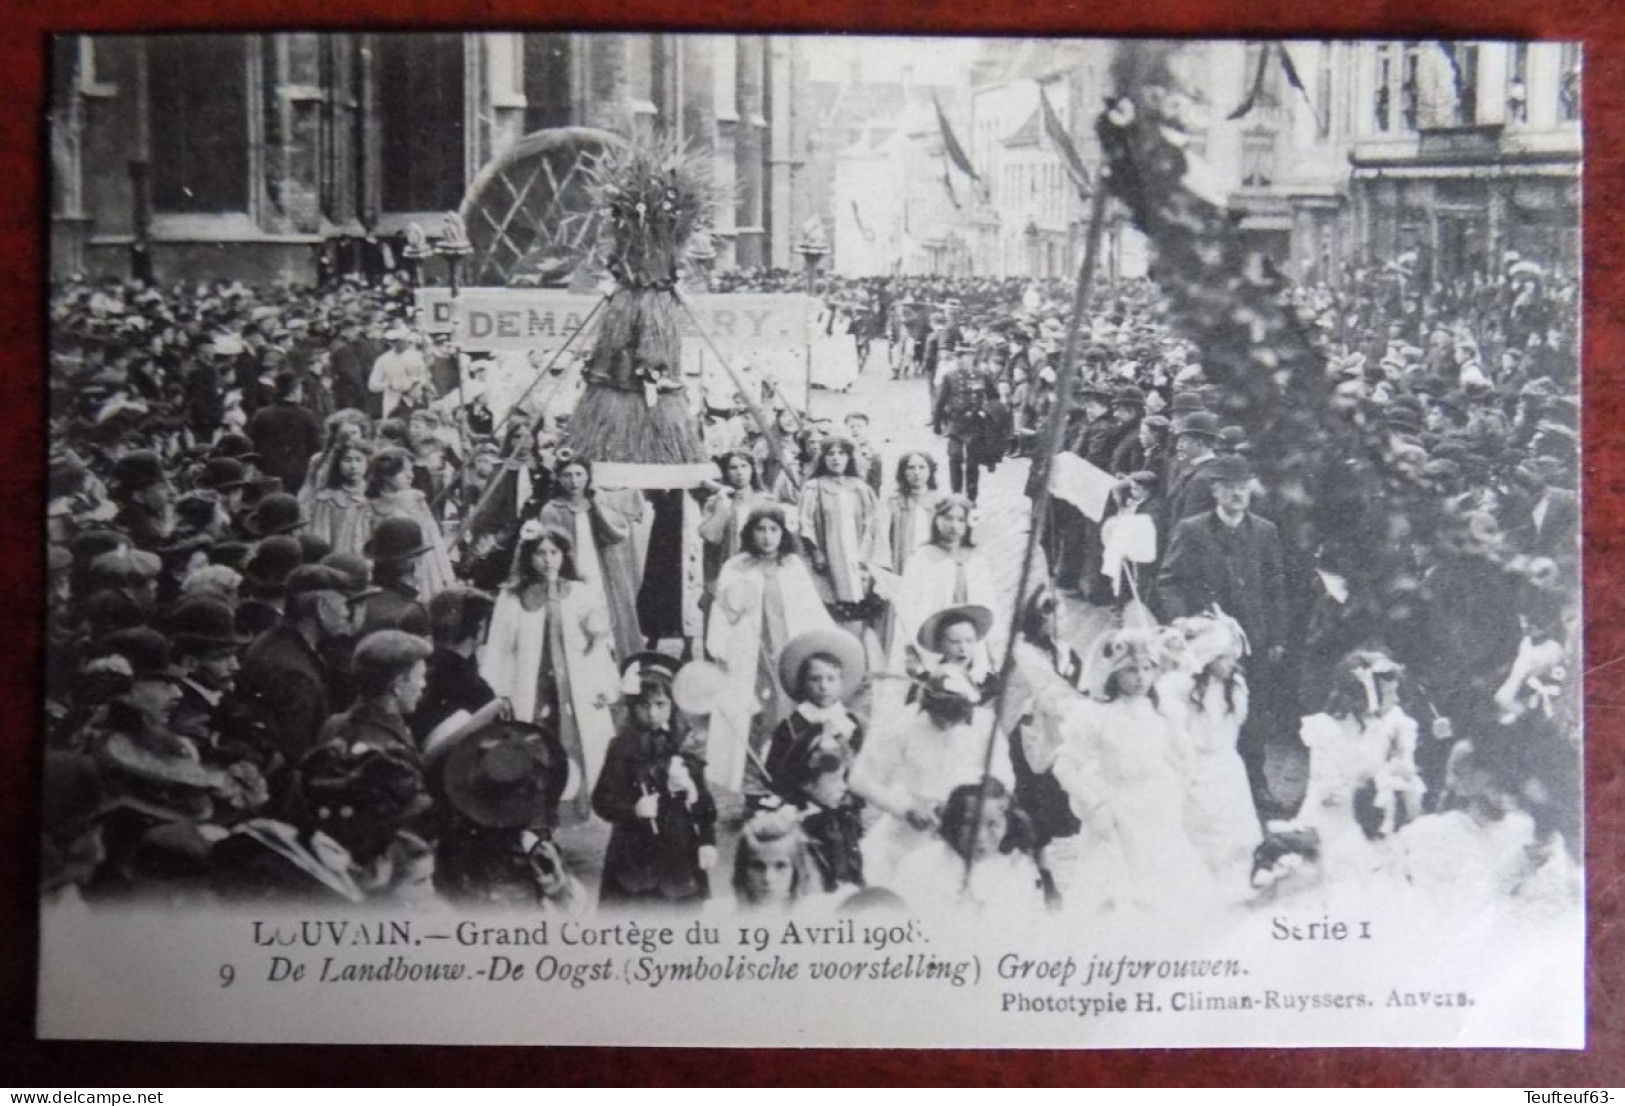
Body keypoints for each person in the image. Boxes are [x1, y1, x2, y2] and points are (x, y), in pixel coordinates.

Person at [1044, 625, 1214, 916]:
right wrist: (1094, 803)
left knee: (1170, 880)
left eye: (1148, 669)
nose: (1141, 678)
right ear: (1113, 674)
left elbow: (1183, 753)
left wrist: (1178, 785)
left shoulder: (1163, 710)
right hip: (1118, 810)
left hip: (1159, 806)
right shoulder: (1098, 715)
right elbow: (1065, 766)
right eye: (1131, 671)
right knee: (1117, 882)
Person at [1156, 453, 1287, 810]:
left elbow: (1275, 586)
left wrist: (1276, 636)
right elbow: (1169, 580)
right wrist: (1183, 622)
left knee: (1252, 711)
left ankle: (1255, 784)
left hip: (1252, 638)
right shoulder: (1193, 529)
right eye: (1229, 488)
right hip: (1207, 639)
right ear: (1215, 492)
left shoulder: (1264, 531)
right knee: (1206, 705)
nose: (1237, 495)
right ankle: (1198, 782)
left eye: (1243, 488)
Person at [478, 523, 620, 813]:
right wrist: (499, 691)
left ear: (564, 556)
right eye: (540, 553)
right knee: (536, 740)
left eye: (553, 552)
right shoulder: (513, 597)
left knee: (577, 742)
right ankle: (538, 811)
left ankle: (573, 804)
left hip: (574, 685)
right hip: (533, 684)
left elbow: (599, 647)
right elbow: (500, 648)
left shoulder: (579, 592)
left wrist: (603, 681)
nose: (547, 559)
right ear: (528, 557)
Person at [704, 504, 835, 792]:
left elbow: (809, 609)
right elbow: (723, 612)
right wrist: (720, 646)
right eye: (760, 529)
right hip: (749, 651)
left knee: (788, 710)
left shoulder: (793, 567)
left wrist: (821, 645)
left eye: (773, 529)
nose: (767, 537)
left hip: (786, 651)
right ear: (751, 533)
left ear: (783, 533)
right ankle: (753, 777)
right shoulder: (736, 567)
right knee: (751, 710)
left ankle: (790, 774)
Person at [1283, 650, 1425, 898]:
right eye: (1390, 693)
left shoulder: (1390, 725)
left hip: (1371, 814)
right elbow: (1326, 787)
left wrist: (1396, 770)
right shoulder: (1325, 729)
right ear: (1367, 695)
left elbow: (1402, 767)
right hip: (1334, 818)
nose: (1397, 699)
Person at [593, 653, 718, 912]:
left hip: (680, 850)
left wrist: (707, 840)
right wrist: (633, 810)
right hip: (633, 855)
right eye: (643, 705)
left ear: (673, 706)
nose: (652, 713)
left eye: (660, 704)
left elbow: (705, 803)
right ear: (632, 707)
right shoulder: (621, 748)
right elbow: (601, 800)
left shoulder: (686, 746)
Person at [1160, 612, 1261, 884]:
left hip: (1226, 765)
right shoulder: (1184, 689)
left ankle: (1234, 883)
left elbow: (1234, 727)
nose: (1232, 663)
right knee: (1199, 833)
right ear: (1207, 658)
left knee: (1234, 832)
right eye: (1225, 657)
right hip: (1194, 766)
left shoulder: (1235, 688)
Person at [538, 454, 643, 664]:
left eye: (579, 474)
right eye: (567, 475)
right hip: (572, 571)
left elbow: (615, 533)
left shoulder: (598, 501)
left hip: (600, 568)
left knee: (607, 613)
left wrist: (595, 506)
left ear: (588, 477)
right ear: (558, 479)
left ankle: (616, 663)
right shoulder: (551, 510)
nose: (574, 481)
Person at [890, 778, 1045, 914]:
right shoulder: (919, 866)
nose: (980, 837)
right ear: (953, 821)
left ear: (1009, 823)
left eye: (993, 824)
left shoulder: (1017, 869)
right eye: (970, 823)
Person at [754, 627, 867, 805]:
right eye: (815, 679)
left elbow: (861, 765)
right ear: (804, 683)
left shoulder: (850, 723)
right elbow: (775, 767)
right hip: (802, 802)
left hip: (842, 800)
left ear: (841, 683)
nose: (823, 686)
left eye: (831, 679)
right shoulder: (794, 723)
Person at [889, 496, 998, 672]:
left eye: (961, 520)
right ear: (937, 521)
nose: (954, 525)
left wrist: (992, 651)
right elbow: (907, 607)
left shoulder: (977, 560)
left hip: (968, 643)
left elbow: (988, 604)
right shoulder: (921, 558)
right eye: (948, 518)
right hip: (933, 642)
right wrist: (915, 649)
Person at [799, 436, 881, 629]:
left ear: (849, 458)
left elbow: (871, 523)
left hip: (857, 554)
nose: (836, 459)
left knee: (859, 598)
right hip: (829, 554)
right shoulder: (814, 487)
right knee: (830, 600)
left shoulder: (861, 488)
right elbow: (805, 522)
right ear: (823, 458)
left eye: (841, 454)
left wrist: (865, 556)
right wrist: (815, 552)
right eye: (830, 454)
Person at [364, 448, 455, 600]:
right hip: (390, 569)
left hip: (425, 567)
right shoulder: (371, 506)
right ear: (387, 475)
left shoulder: (415, 499)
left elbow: (434, 538)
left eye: (411, 470)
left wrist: (447, 575)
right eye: (403, 471)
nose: (410, 475)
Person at [246, 370, 324, 496]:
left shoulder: (262, 415)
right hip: (298, 472)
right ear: (294, 390)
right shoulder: (306, 416)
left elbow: (253, 443)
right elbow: (316, 446)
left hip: (268, 471)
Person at [933, 346, 994, 501]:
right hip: (956, 424)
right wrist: (937, 424)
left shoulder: (983, 376)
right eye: (959, 356)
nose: (962, 360)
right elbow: (940, 402)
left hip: (976, 425)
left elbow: (994, 400)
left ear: (973, 357)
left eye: (966, 356)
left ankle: (971, 498)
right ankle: (956, 495)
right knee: (955, 457)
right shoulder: (950, 377)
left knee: (973, 463)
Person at [307, 439, 372, 557]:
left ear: (367, 462)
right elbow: (321, 540)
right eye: (347, 460)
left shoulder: (374, 494)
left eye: (359, 460)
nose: (353, 466)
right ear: (338, 464)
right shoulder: (327, 499)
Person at [368, 327, 430, 419]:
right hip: (393, 402)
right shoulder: (383, 360)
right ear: (391, 343)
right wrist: (389, 385)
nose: (402, 344)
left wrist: (415, 384)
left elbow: (424, 377)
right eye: (397, 342)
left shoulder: (415, 357)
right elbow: (372, 385)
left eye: (404, 341)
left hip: (414, 401)